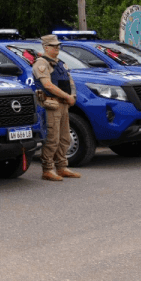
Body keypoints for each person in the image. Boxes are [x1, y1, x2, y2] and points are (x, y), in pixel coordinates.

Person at [32, 34, 81, 181]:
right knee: (52, 138)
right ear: (46, 47)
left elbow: (70, 80)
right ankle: (47, 169)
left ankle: (61, 167)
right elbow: (47, 85)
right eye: (54, 46)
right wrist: (67, 97)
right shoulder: (41, 64)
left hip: (63, 104)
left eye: (58, 46)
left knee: (64, 137)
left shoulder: (60, 63)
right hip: (52, 104)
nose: (57, 48)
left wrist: (72, 95)